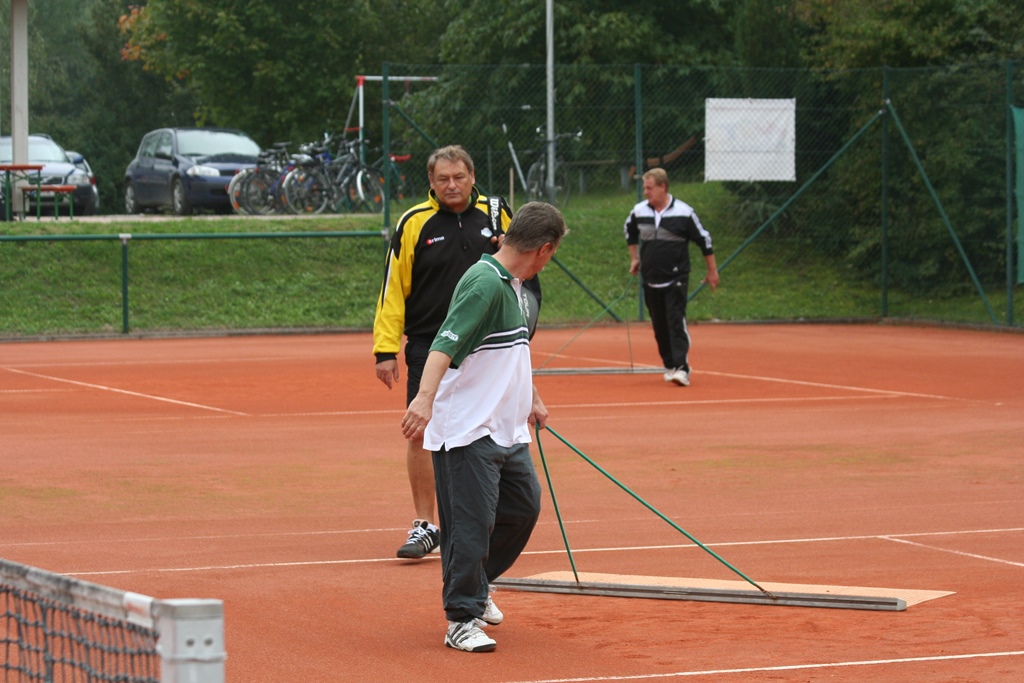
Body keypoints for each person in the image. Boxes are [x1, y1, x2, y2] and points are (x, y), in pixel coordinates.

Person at [400, 201, 567, 653]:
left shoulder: (512, 284)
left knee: (522, 507)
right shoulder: (484, 283)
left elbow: (510, 351)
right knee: (470, 527)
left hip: (505, 429)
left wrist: (531, 397)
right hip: (468, 431)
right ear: (545, 249)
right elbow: (443, 344)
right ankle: (461, 618)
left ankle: (477, 583)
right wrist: (424, 399)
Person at [373, 145, 512, 560]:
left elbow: (523, 271)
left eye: (459, 177)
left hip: (488, 347)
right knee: (421, 429)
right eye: (443, 179)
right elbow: (393, 286)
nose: (452, 185)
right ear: (431, 183)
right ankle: (425, 525)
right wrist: (385, 348)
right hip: (430, 345)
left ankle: (485, 517)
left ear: (472, 177)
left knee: (492, 428)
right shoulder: (414, 222)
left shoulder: (497, 215)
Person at [624, 168, 719, 386]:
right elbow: (629, 231)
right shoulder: (639, 211)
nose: (646, 192)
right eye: (644, 188)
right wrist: (634, 258)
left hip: (677, 276)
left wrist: (712, 270)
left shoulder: (684, 212)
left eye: (649, 188)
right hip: (650, 277)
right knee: (659, 323)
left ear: (662, 187)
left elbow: (704, 240)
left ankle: (682, 368)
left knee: (675, 319)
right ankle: (670, 365)